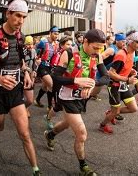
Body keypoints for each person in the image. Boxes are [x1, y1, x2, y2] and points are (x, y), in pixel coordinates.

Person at [0, 0, 41, 175]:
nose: (21, 21)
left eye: (24, 17)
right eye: (17, 16)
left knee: (25, 133)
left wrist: (26, 72)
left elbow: (20, 62)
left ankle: (36, 170)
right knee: (0, 125)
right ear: (8, 14)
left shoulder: (21, 38)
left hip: (15, 91)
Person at [44, 29, 109, 175]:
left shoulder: (97, 56)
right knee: (81, 133)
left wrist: (94, 83)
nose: (98, 51)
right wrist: (75, 80)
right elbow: (54, 77)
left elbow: (106, 77)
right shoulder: (69, 53)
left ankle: (50, 134)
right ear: (85, 41)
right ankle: (83, 167)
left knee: (67, 123)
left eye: (101, 48)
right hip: (67, 96)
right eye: (95, 47)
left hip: (82, 98)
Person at [99, 30, 138, 134]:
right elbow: (111, 73)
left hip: (123, 85)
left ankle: (111, 113)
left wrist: (130, 71)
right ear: (130, 42)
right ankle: (102, 125)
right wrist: (127, 79)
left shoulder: (132, 53)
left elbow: (123, 68)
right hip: (114, 86)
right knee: (115, 111)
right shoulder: (121, 55)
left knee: (133, 108)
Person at [43, 35, 73, 130]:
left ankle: (70, 122)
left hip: (66, 81)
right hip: (58, 80)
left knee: (66, 104)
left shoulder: (70, 52)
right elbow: (55, 69)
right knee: (58, 106)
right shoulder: (61, 53)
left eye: (71, 44)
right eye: (68, 44)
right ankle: (48, 118)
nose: (70, 46)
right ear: (62, 45)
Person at [34, 26, 59, 110]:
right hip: (42, 66)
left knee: (45, 86)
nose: (56, 36)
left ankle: (37, 100)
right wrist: (36, 59)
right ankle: (50, 107)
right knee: (51, 85)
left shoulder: (56, 44)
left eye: (58, 34)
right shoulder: (43, 42)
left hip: (50, 67)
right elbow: (34, 50)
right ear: (50, 33)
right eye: (55, 34)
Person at [23, 35, 37, 118]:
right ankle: (21, 110)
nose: (30, 46)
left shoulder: (33, 51)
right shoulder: (22, 52)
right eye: (28, 44)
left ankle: (25, 107)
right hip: (21, 76)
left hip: (30, 75)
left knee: (30, 100)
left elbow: (34, 65)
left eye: (31, 44)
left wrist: (33, 78)